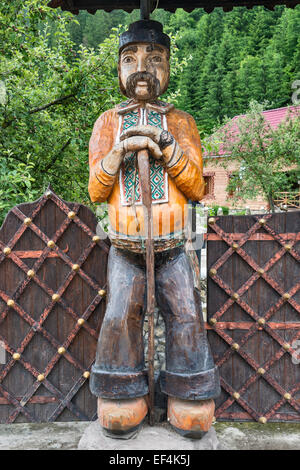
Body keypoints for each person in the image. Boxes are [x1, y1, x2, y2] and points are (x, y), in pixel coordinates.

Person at [88, 19, 220, 438]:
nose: (142, 67)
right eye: (130, 58)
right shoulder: (107, 122)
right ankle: (121, 389)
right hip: (125, 247)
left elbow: (197, 185)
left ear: (168, 66)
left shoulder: (182, 121)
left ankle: (190, 391)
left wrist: (165, 145)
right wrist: (122, 149)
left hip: (173, 246)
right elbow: (95, 188)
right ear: (118, 68)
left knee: (185, 314)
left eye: (155, 58)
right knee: (119, 315)